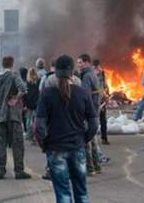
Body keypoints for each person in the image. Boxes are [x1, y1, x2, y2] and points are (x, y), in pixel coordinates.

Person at [36, 55, 98, 203]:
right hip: (77, 147)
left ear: (55, 71)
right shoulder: (82, 93)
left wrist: (45, 144)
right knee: (81, 191)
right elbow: (94, 123)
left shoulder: (47, 94)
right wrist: (83, 139)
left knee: (63, 193)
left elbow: (40, 125)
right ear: (72, 71)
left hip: (56, 148)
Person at [0, 56, 31, 180]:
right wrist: (15, 98)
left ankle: (0, 171)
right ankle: (19, 171)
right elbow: (24, 89)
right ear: (12, 64)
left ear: (3, 64)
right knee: (17, 144)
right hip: (13, 115)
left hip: (0, 115)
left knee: (0, 144)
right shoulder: (14, 75)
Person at [77, 53, 103, 176]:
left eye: (80, 62)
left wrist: (82, 111)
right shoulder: (93, 74)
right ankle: (97, 165)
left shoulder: (87, 76)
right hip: (95, 111)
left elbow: (85, 96)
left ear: (87, 62)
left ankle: (89, 168)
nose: (79, 65)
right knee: (93, 139)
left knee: (86, 140)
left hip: (88, 112)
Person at [93, 59, 110, 145]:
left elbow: (106, 86)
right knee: (101, 119)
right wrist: (107, 96)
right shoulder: (99, 74)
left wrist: (107, 96)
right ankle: (103, 138)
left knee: (98, 119)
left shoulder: (91, 74)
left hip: (97, 100)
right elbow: (106, 87)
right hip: (98, 100)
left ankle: (101, 138)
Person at [23, 68, 40, 141]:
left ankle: (29, 135)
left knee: (28, 120)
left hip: (29, 104)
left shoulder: (26, 83)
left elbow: (24, 95)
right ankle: (36, 136)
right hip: (37, 104)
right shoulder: (39, 81)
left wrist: (25, 104)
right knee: (36, 120)